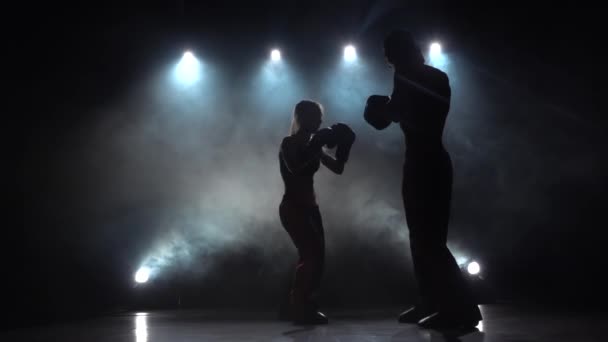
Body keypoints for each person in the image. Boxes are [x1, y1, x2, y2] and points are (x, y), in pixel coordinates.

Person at [363, 29, 482, 330]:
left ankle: (461, 307)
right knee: (421, 238)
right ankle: (432, 300)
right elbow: (397, 115)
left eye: (389, 52)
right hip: (424, 160)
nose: (387, 59)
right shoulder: (425, 76)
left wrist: (380, 107)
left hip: (426, 162)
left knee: (429, 239)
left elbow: (396, 115)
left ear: (399, 53)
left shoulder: (415, 76)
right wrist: (385, 108)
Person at [278, 100, 355, 325]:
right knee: (310, 256)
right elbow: (295, 166)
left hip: (311, 208)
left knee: (316, 259)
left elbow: (338, 168)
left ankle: (305, 305)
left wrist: (344, 147)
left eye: (320, 117)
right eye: (316, 116)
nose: (321, 121)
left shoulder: (315, 145)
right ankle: (298, 306)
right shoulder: (289, 143)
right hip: (293, 207)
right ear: (303, 118)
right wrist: (318, 143)